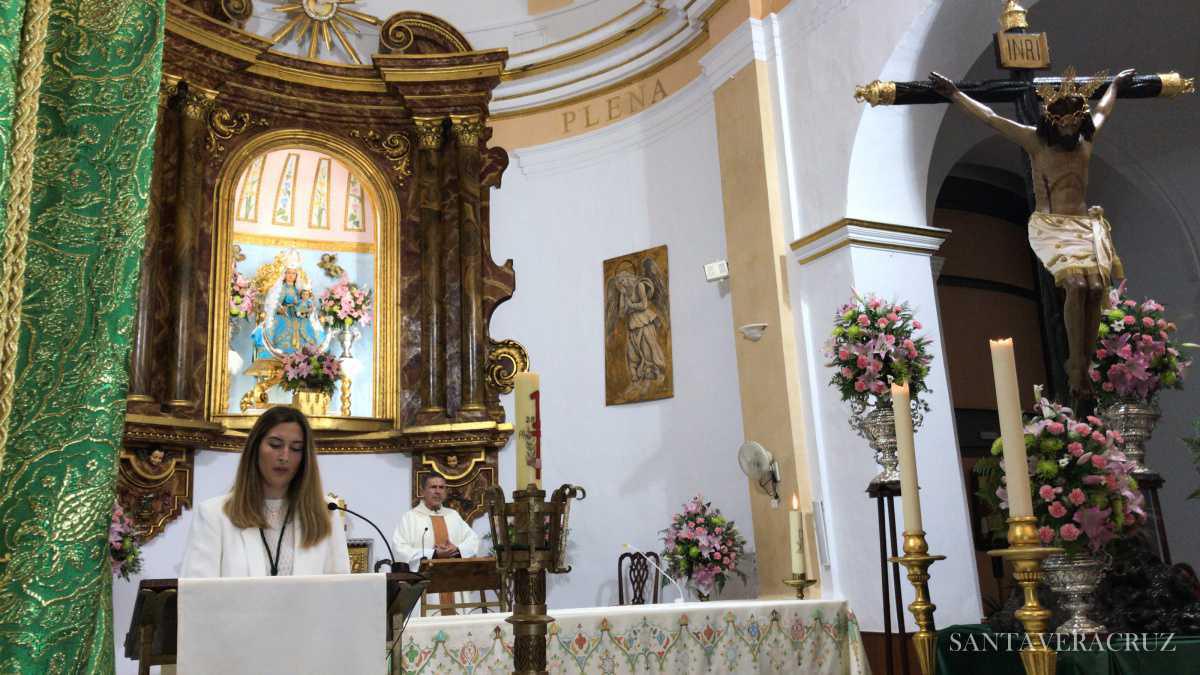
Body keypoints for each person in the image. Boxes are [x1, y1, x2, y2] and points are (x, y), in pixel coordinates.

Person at [930, 66, 1134, 397]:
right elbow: (991, 118)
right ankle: (1075, 364)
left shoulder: (1086, 139)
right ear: (1052, 121)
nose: (1069, 128)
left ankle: (1085, 360)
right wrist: (955, 94)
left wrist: (1117, 87)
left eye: (1074, 122)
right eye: (1063, 122)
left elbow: (1103, 110)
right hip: (1051, 224)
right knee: (1075, 284)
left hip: (1083, 224)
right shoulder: (1036, 142)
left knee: (1097, 288)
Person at [181, 406, 350, 577]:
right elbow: (198, 590)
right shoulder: (214, 515)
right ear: (255, 448)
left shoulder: (326, 512)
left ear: (305, 457)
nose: (284, 457)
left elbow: (340, 589)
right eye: (275, 445)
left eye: (296, 448)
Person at [392, 474, 481, 614]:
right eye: (433, 487)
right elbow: (400, 550)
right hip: (425, 587)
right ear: (422, 491)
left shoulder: (453, 515)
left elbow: (473, 540)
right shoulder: (410, 518)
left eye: (441, 487)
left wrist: (457, 550)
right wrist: (433, 554)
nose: (438, 491)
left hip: (454, 582)